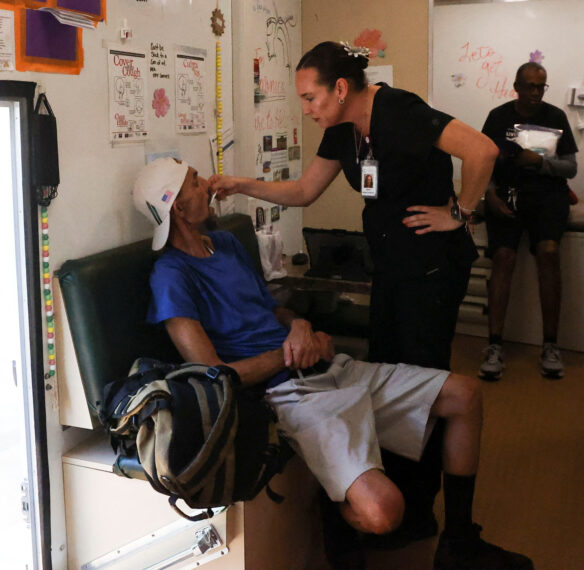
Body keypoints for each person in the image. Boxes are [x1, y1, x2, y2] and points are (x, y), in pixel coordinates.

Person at [132, 157, 533, 570]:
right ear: (179, 208)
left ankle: (459, 542)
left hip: (328, 367)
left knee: (465, 395)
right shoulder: (170, 276)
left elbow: (273, 311)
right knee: (384, 513)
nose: (207, 183)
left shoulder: (227, 244)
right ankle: (334, 508)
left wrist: (301, 326)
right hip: (286, 394)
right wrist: (288, 353)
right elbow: (215, 376)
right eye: (195, 182)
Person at [209, 41, 498, 548]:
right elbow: (303, 192)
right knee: (391, 377)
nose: (306, 109)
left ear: (341, 88)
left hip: (431, 272)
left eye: (310, 97)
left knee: (425, 386)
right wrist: (240, 185)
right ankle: (401, 500)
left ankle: (429, 516)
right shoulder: (342, 130)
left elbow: (483, 150)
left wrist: (460, 214)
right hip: (390, 273)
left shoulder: (400, 110)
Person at [478, 62, 578, 381]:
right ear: (517, 86)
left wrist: (541, 162)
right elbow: (482, 162)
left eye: (541, 86)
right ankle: (495, 346)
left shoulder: (555, 117)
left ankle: (550, 346)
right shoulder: (498, 118)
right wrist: (489, 194)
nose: (536, 92)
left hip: (548, 196)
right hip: (507, 195)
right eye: (530, 86)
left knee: (549, 252)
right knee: (503, 258)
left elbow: (571, 168)